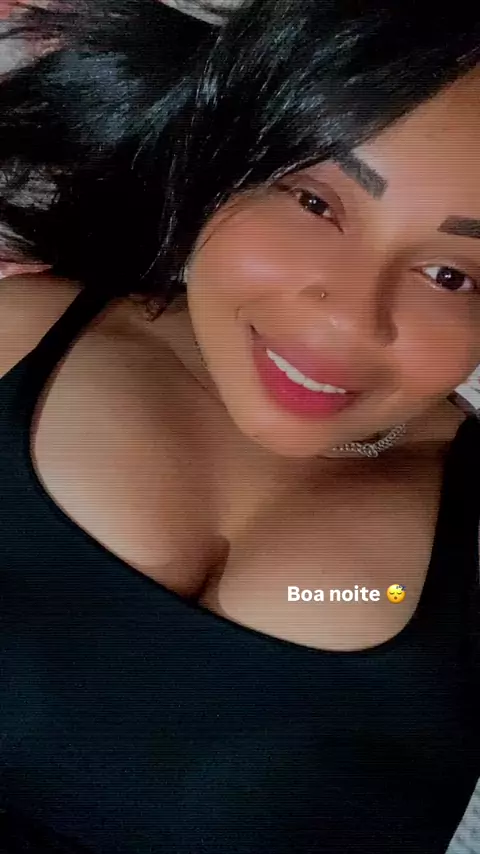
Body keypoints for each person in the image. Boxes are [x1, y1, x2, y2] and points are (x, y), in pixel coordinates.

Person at [1, 0, 480, 851]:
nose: (348, 317)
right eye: (315, 201)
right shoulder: (16, 331)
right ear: (224, 163)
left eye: (452, 276)